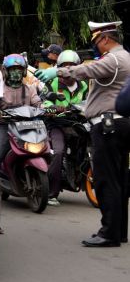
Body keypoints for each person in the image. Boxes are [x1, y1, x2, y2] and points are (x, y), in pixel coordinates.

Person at [36, 21, 130, 247]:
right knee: (120, 179)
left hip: (108, 125)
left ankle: (108, 233)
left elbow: (87, 70)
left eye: (96, 41)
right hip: (120, 124)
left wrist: (57, 71)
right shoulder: (126, 57)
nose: (96, 46)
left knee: (106, 179)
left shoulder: (114, 59)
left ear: (106, 38)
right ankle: (119, 230)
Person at [40, 50, 89, 206]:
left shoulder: (83, 84)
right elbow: (44, 101)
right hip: (57, 123)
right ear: (58, 68)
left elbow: (88, 101)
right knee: (58, 151)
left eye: (72, 66)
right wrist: (53, 107)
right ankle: (51, 193)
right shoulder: (52, 83)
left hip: (77, 123)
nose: (68, 69)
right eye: (64, 66)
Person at [0, 54, 42, 169]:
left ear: (24, 71)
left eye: (19, 69)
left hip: (28, 126)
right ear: (6, 71)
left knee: (47, 151)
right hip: (5, 127)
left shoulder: (30, 88)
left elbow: (38, 103)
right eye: (13, 69)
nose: (16, 72)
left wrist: (50, 108)